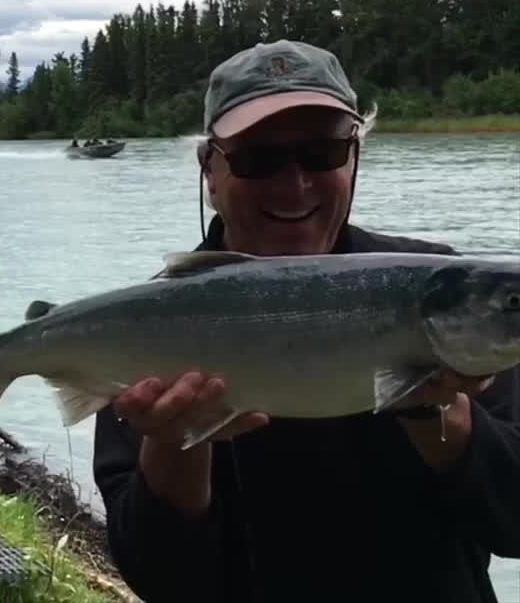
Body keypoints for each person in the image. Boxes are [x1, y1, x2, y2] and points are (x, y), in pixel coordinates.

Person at [92, 39, 519, 603]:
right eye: (258, 159)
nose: (293, 185)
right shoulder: (143, 328)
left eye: (322, 153)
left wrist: (435, 410)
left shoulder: (456, 297)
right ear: (210, 172)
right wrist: (177, 445)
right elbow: (163, 580)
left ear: (355, 156)